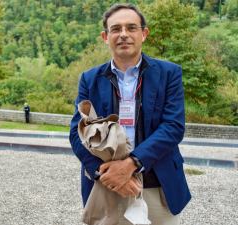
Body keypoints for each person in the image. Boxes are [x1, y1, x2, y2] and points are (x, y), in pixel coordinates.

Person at [69, 4, 191, 225]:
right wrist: (104, 173)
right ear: (105, 37)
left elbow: (173, 127)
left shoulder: (169, 73)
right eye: (116, 29)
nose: (123, 34)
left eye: (131, 27)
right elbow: (77, 132)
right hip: (106, 186)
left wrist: (132, 164)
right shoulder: (89, 79)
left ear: (143, 34)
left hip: (157, 184)